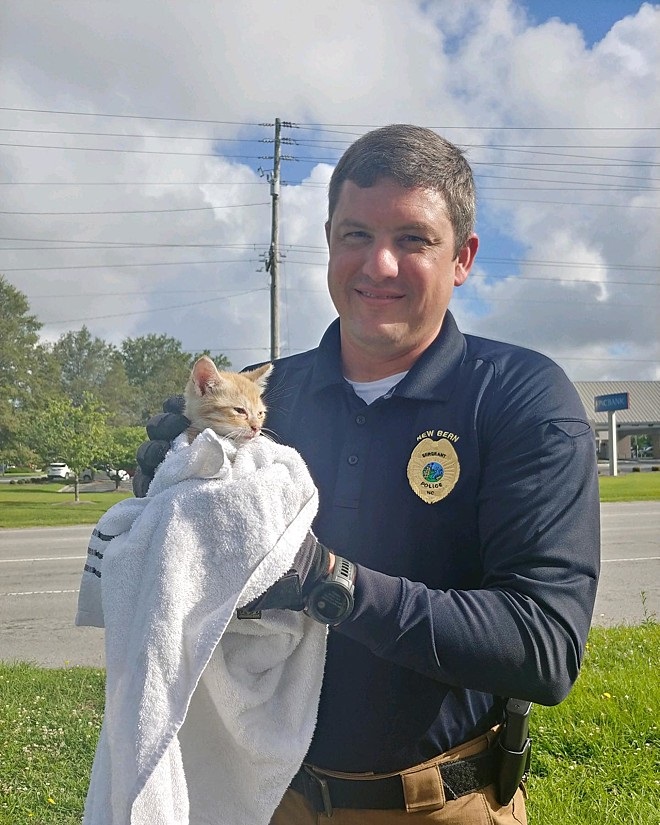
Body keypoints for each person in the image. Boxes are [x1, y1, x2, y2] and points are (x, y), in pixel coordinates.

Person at [135, 124, 600, 824]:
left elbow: (544, 643)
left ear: (464, 257)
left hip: (441, 801)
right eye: (356, 234)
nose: (378, 263)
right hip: (262, 794)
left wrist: (330, 581)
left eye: (413, 239)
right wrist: (168, 495)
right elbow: (194, 583)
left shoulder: (522, 397)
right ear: (328, 241)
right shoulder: (270, 400)